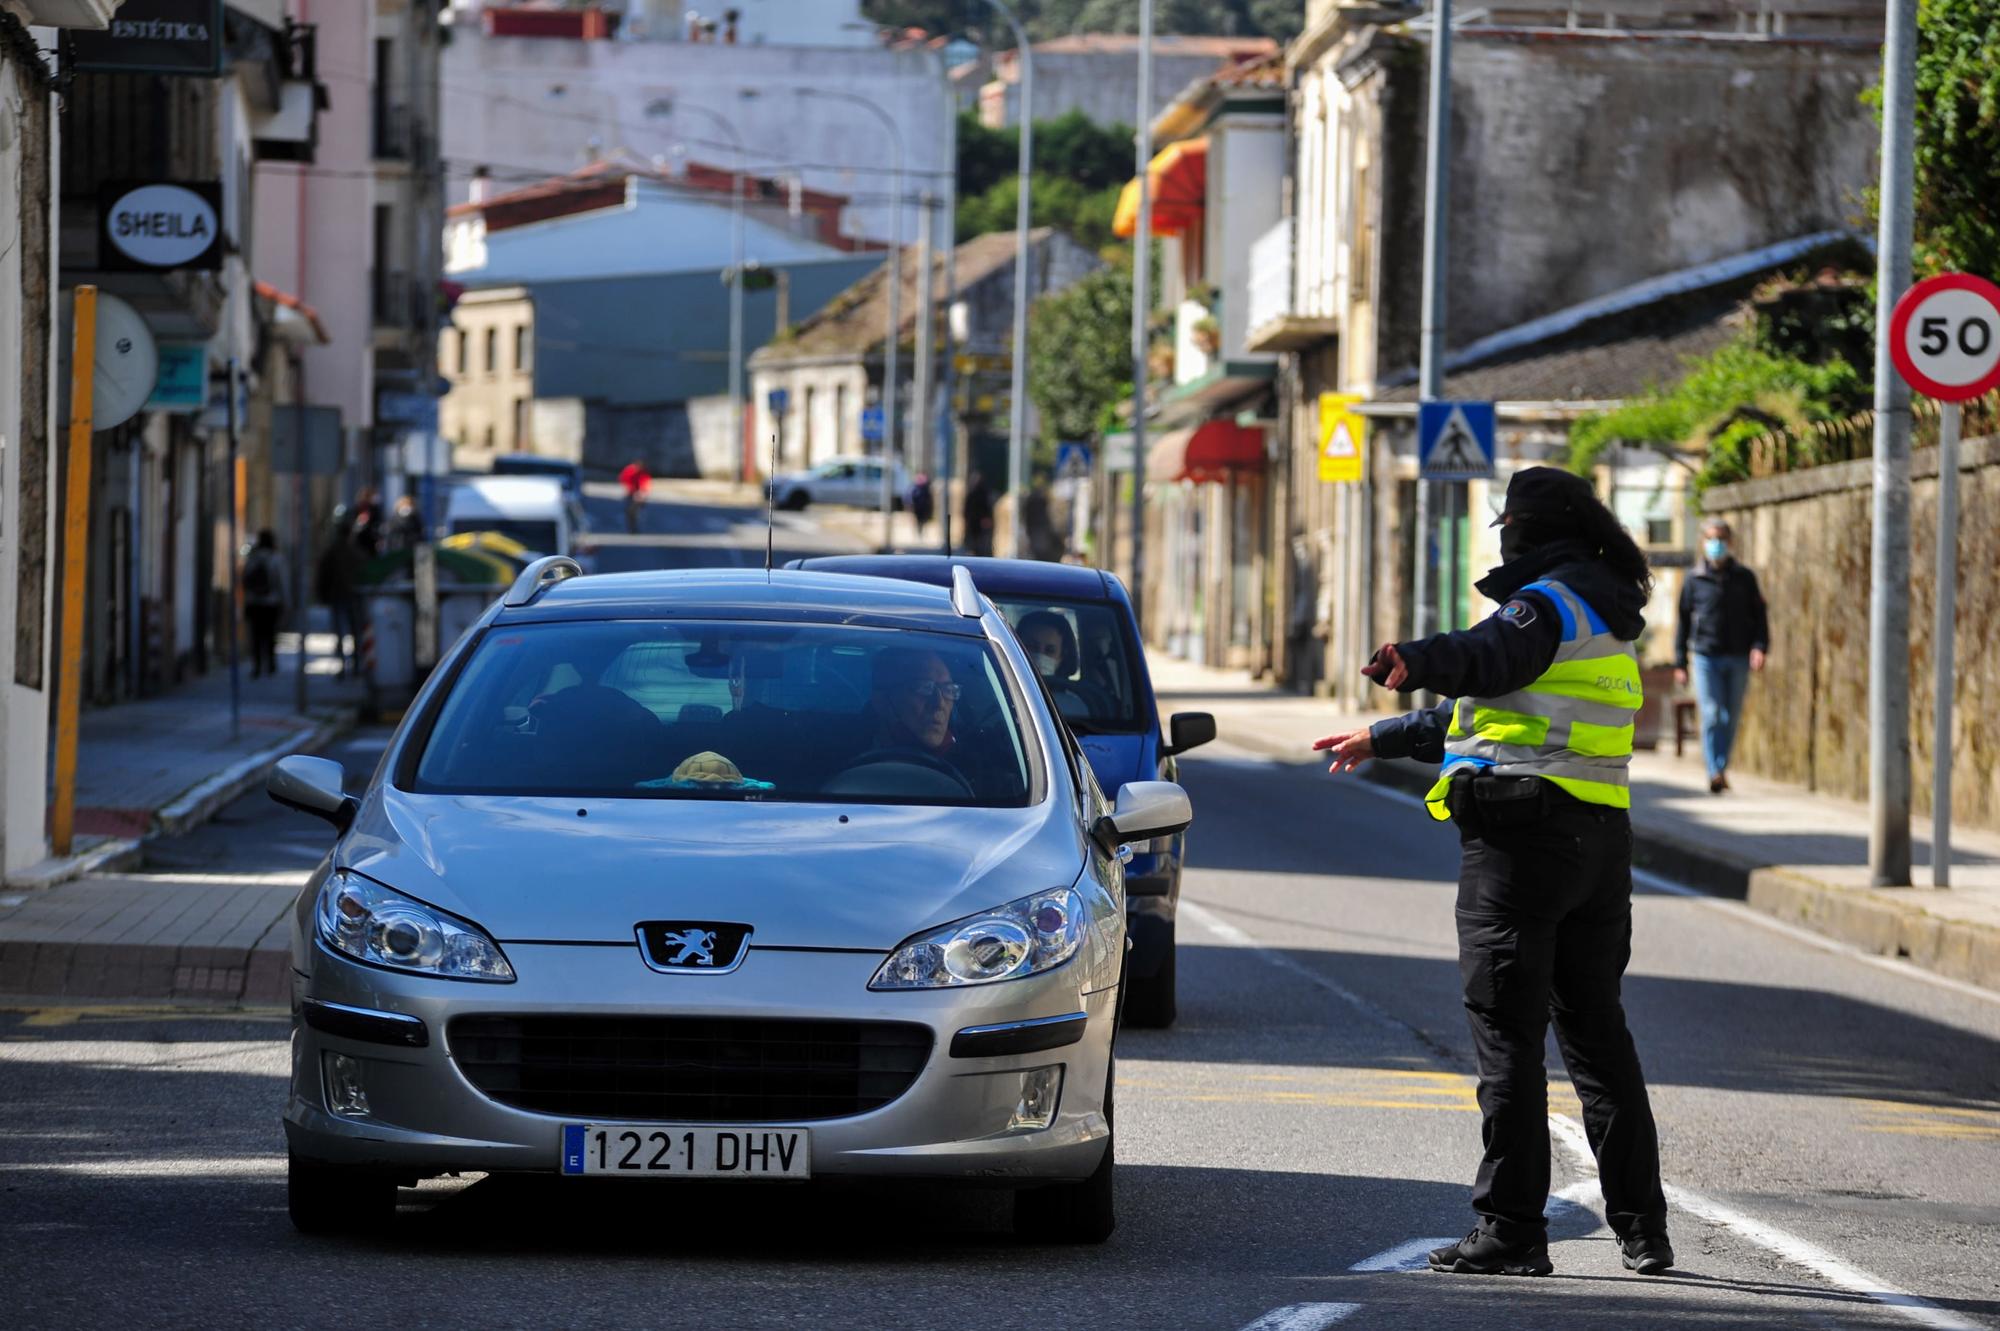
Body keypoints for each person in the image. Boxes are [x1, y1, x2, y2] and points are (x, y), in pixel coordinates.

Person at [1312, 466, 1671, 1279]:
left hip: (1521, 842)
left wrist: (1416, 656)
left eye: (1508, 525)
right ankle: (1643, 1228)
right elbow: (1493, 710)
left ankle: (1510, 1228)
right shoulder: (1604, 611)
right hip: (1598, 844)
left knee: (1508, 1037)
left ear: (1529, 531)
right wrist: (1385, 736)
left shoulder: (1540, 604)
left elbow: (1489, 655)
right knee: (1598, 1036)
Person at [1674, 519, 1769, 795]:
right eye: (1711, 539)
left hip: (1739, 655)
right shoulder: (1693, 579)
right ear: (1703, 541)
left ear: (1730, 542)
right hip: (1705, 655)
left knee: (1731, 715)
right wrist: (1680, 662)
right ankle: (1714, 771)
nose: (1717, 544)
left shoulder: (1745, 578)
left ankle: (1722, 767)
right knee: (1712, 713)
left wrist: (1760, 646)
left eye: (1722, 539)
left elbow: (1760, 616)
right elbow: (1682, 621)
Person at [315, 530, 366, 679]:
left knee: (341, 633)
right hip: (352, 596)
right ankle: (355, 665)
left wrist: (322, 594)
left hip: (338, 596)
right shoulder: (356, 553)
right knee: (355, 632)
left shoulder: (332, 552)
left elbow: (322, 574)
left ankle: (344, 665)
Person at [242, 529, 287, 679]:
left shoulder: (252, 557)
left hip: (254, 603)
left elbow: (245, 580)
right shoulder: (276, 558)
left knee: (255, 635)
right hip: (271, 602)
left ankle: (257, 665)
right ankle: (271, 664)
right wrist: (285, 602)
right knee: (270, 634)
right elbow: (282, 581)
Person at [963, 471, 995, 557]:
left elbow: (987, 508)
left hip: (980, 523)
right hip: (973, 523)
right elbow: (967, 509)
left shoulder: (983, 494)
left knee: (982, 543)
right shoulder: (972, 493)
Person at [619, 457, 652, 534]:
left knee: (635, 511)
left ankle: (635, 527)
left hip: (639, 494)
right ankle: (631, 527)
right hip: (630, 493)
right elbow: (624, 479)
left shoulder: (644, 472)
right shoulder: (630, 470)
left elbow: (645, 482)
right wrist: (631, 489)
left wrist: (643, 493)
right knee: (630, 512)